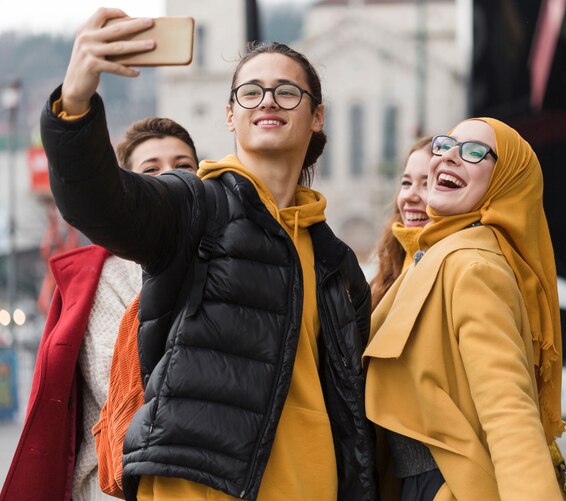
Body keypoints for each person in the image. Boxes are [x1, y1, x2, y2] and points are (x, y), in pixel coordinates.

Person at [39, 7, 376, 501]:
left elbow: (352, 402)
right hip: (198, 485)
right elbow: (102, 204)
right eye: (250, 92)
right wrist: (75, 100)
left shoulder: (337, 262)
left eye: (287, 91)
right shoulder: (195, 204)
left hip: (311, 484)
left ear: (316, 116)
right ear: (230, 114)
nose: (268, 101)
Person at [364, 117, 566, 500]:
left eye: (474, 153)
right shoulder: (437, 257)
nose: (449, 157)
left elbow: (509, 414)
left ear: (504, 181)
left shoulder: (473, 267)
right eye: (444, 146)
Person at [0, 116, 199, 501]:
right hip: (117, 484)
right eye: (151, 169)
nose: (170, 177)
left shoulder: (225, 257)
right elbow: (121, 385)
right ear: (128, 187)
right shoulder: (105, 276)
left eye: (183, 166)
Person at [369, 136, 432, 309]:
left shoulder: (461, 267)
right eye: (406, 183)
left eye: (427, 184)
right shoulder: (392, 263)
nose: (409, 196)